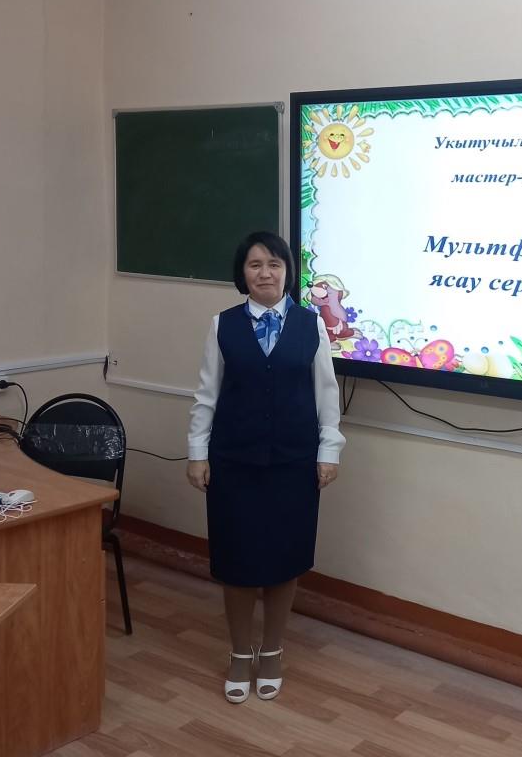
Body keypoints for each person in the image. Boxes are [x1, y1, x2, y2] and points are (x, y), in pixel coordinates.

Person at [186, 231, 345, 703]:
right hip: (234, 461)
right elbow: (206, 395)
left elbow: (326, 393)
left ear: (287, 271)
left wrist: (329, 451)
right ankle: (240, 652)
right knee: (236, 561)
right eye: (255, 265)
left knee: (284, 560)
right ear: (243, 273)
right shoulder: (222, 325)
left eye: (274, 264)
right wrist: (197, 453)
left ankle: (272, 650)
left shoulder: (311, 325)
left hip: (294, 462)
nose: (265, 273)